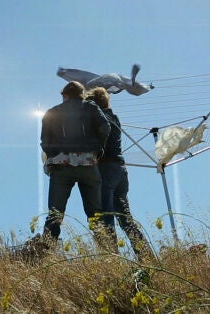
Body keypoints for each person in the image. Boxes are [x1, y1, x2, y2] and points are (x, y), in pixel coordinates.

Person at [35, 81, 111, 249]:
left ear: (64, 95)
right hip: (88, 163)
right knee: (95, 214)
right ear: (81, 94)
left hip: (61, 166)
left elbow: (44, 141)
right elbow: (105, 128)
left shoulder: (51, 112)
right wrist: (97, 150)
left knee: (55, 214)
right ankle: (108, 254)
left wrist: (55, 154)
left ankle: (46, 252)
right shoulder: (91, 107)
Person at [86, 87, 154, 260]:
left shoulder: (100, 120)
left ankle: (111, 261)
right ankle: (146, 257)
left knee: (105, 217)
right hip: (120, 171)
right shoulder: (114, 118)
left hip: (104, 169)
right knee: (125, 218)